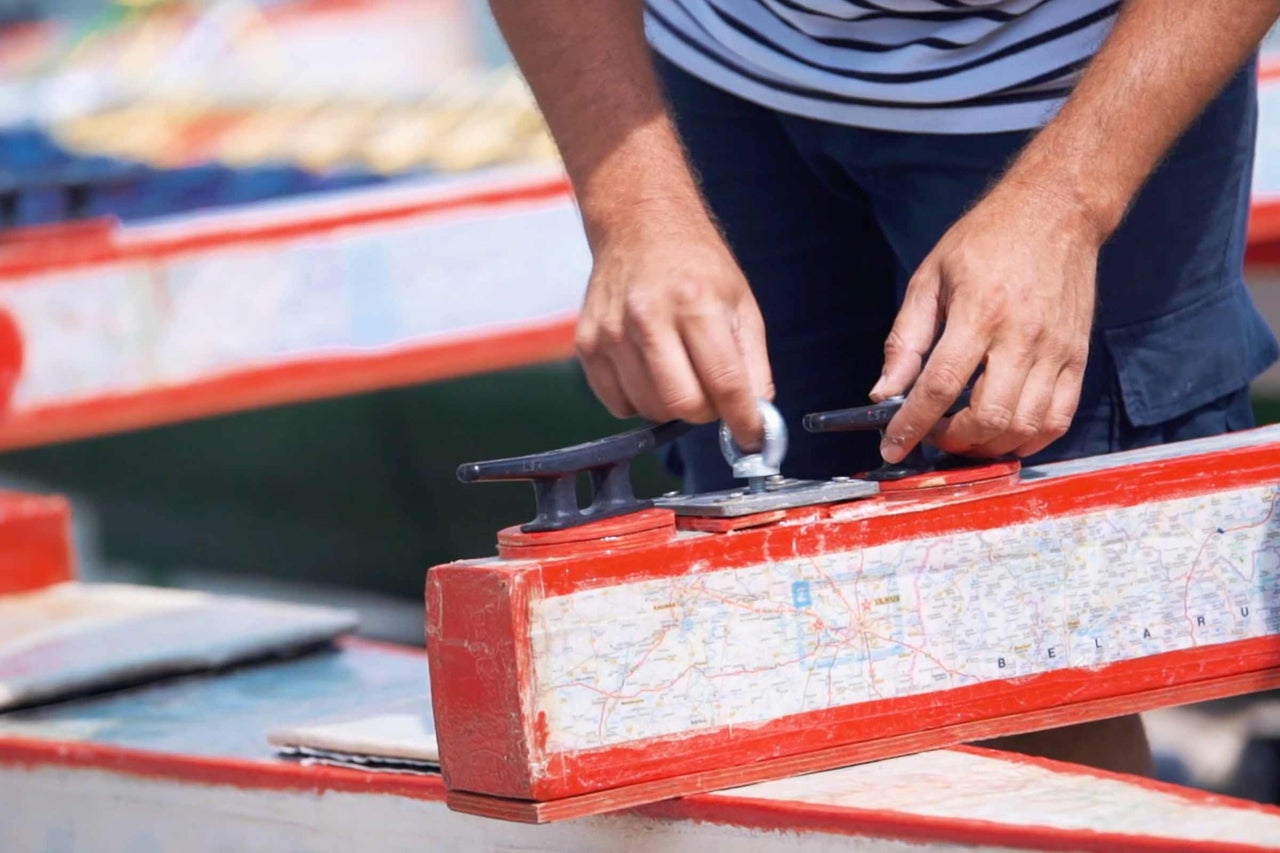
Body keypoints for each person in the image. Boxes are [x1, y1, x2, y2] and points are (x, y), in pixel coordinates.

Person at [489, 0, 1280, 775]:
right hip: (721, 63)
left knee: (1033, 659)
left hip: (1067, 70)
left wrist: (1065, 206)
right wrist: (633, 210)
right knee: (748, 643)